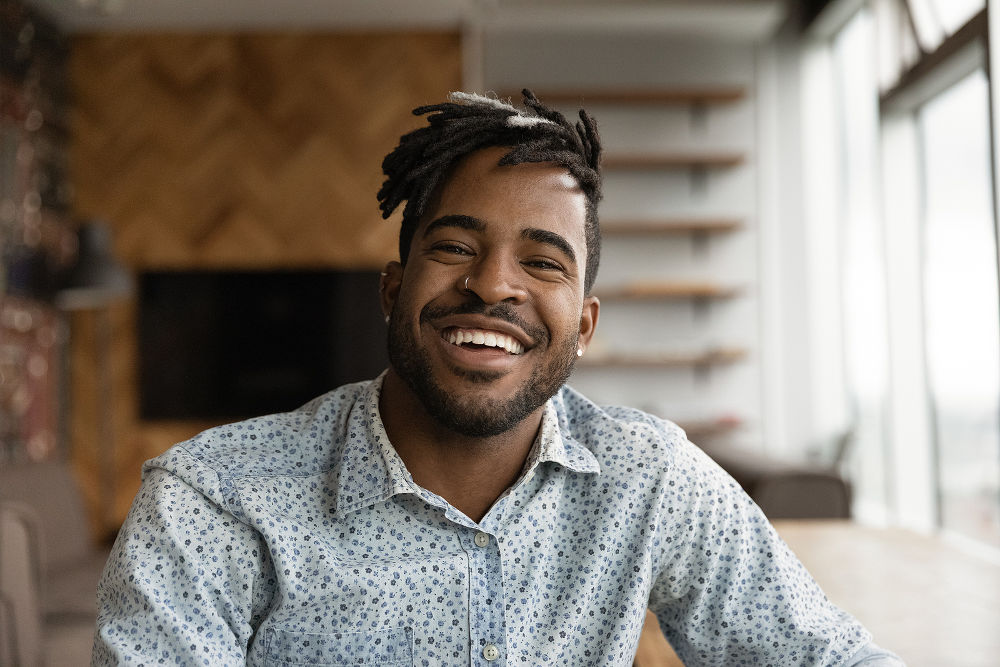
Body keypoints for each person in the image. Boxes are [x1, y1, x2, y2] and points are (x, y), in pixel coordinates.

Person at [92, 90, 903, 666]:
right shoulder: (214, 501)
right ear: (391, 290)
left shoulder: (649, 478)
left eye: (543, 261)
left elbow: (824, 653)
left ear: (582, 326)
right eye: (453, 246)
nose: (494, 285)